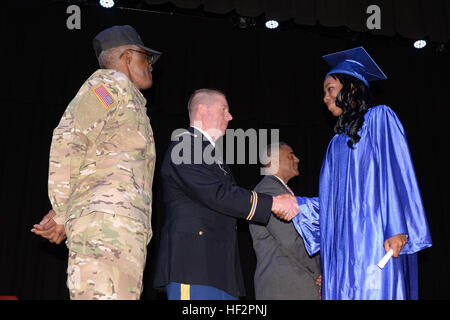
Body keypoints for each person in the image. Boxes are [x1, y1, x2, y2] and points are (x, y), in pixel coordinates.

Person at [30, 25, 162, 300]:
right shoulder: (109, 85)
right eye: (145, 58)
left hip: (122, 228)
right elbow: (71, 139)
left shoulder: (131, 101)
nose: (150, 65)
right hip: (105, 226)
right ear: (127, 56)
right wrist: (63, 212)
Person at [293, 47, 432, 300]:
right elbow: (329, 204)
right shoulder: (335, 145)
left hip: (376, 240)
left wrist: (397, 227)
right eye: (324, 92)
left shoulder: (380, 119)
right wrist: (295, 205)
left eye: (330, 89)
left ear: (352, 88)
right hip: (346, 251)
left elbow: (396, 173)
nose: (325, 97)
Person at [153, 88, 299, 300]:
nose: (230, 117)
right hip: (193, 266)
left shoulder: (208, 153)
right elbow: (217, 194)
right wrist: (272, 203)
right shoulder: (185, 146)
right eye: (224, 110)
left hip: (219, 270)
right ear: (202, 110)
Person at [249, 142, 321, 300]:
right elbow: (291, 241)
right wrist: (318, 273)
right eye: (291, 156)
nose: (297, 159)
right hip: (286, 287)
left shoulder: (279, 191)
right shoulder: (269, 191)